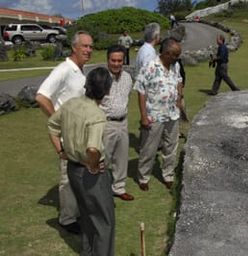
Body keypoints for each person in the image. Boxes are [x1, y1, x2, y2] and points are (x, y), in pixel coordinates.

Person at [47, 67, 115, 256]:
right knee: (104, 221)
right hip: (90, 174)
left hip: (72, 169)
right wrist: (92, 165)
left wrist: (61, 151)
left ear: (86, 85)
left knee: (86, 215)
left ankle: (88, 252)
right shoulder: (96, 115)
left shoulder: (70, 104)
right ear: (107, 90)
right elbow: (93, 148)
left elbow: (52, 126)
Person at [35, 31, 93, 234]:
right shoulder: (64, 69)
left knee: (79, 175)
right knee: (68, 178)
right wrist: (57, 121)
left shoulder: (79, 70)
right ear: (74, 47)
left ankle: (77, 212)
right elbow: (42, 96)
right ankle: (67, 219)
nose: (89, 50)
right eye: (85, 46)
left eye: (91, 46)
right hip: (67, 134)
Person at [134, 37, 183, 191]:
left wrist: (179, 98)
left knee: (171, 146)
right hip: (154, 115)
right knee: (149, 147)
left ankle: (168, 174)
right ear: (167, 53)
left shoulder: (175, 65)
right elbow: (141, 91)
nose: (177, 58)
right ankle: (143, 177)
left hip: (172, 114)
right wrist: (143, 116)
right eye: (175, 55)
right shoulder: (150, 66)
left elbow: (179, 80)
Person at [100, 45, 134, 201]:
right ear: (107, 60)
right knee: (103, 160)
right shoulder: (101, 78)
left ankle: (119, 188)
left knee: (121, 158)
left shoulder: (127, 77)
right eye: (113, 60)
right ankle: (100, 191)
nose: (116, 63)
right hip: (106, 124)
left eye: (119, 60)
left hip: (123, 122)